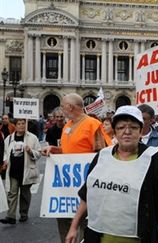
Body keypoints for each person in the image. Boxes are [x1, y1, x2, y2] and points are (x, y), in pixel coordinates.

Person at [65, 105, 158, 243]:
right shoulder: (102, 156)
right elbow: (87, 195)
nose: (127, 132)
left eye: (133, 127)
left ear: (140, 131)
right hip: (98, 237)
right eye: (121, 128)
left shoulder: (154, 159)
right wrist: (74, 226)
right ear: (114, 132)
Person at [41, 93, 112, 243]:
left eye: (62, 106)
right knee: (64, 222)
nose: (61, 110)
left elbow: (104, 152)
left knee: (85, 225)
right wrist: (55, 150)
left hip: (87, 189)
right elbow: (70, 151)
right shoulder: (67, 125)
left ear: (70, 107)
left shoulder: (93, 124)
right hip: (66, 189)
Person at [0, 119, 41, 224]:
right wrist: (5, 161)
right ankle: (11, 216)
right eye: (19, 124)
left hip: (26, 171)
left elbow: (39, 153)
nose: (21, 126)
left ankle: (24, 213)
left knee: (25, 194)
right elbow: (5, 152)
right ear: (15, 125)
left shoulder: (32, 138)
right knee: (12, 193)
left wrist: (30, 151)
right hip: (13, 170)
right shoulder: (9, 139)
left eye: (23, 123)